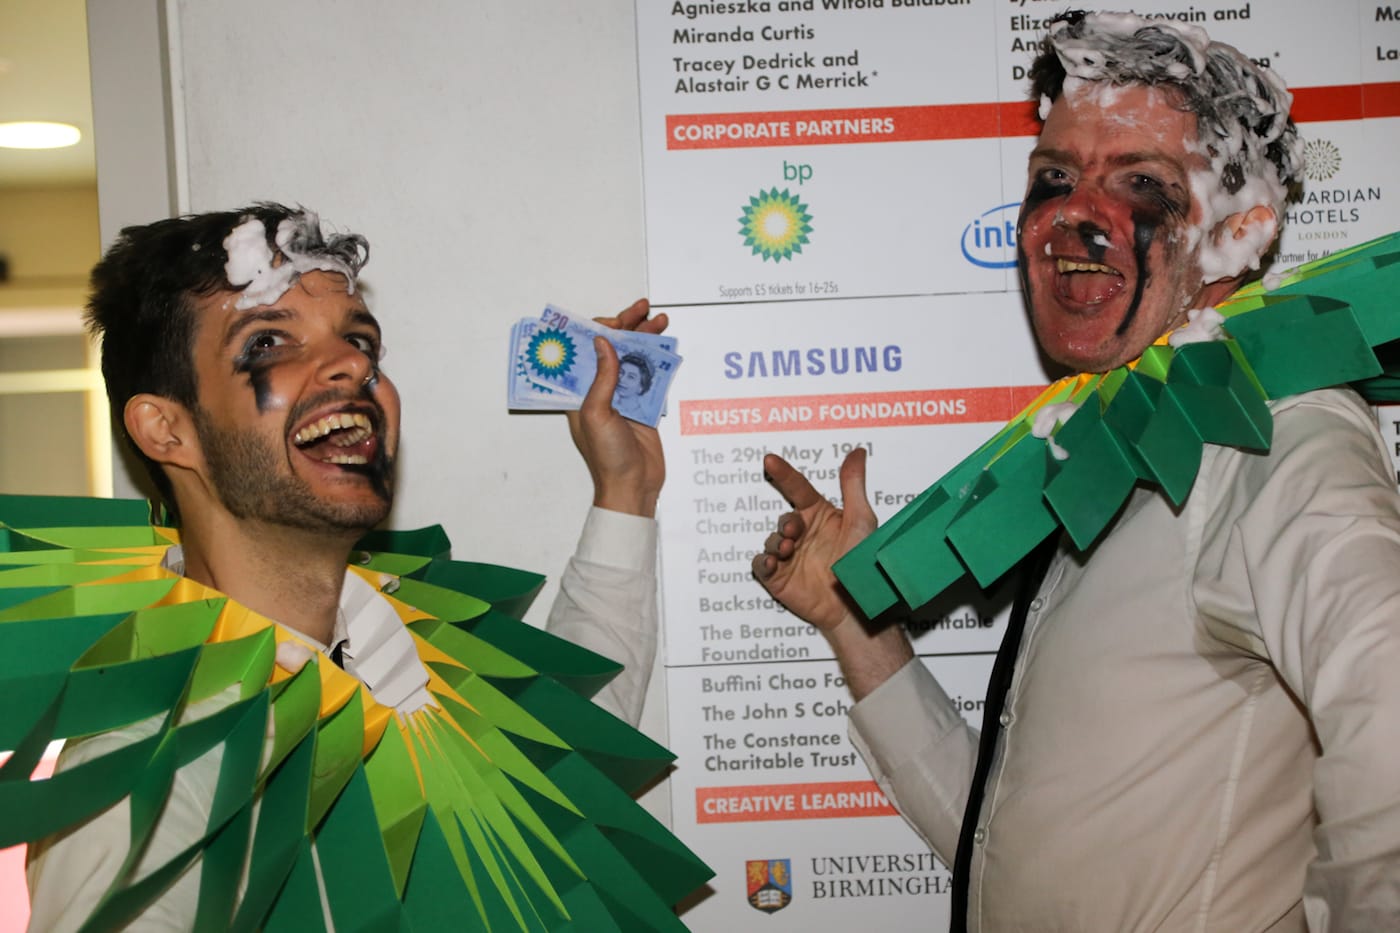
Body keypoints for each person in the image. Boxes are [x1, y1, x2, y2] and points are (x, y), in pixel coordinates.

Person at [753, 11, 1400, 931]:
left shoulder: (1279, 434)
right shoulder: (1112, 440)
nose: (1073, 215)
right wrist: (854, 626)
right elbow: (1018, 857)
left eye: (1142, 183)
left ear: (1240, 232)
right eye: (1053, 179)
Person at [24, 203, 673, 929]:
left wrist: (627, 489)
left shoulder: (405, 647)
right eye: (268, 340)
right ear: (166, 429)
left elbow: (561, 782)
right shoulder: (140, 780)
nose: (356, 363)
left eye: (360, 340)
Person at [612, 352, 655, 421]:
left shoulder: (639, 418)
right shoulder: (611, 405)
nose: (621, 379)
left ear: (641, 387)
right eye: (621, 372)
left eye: (631, 377)